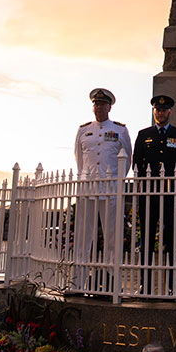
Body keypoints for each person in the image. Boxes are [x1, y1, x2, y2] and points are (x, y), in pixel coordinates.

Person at [74, 88, 132, 267]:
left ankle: (110, 275)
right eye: (96, 104)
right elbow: (79, 158)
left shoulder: (119, 130)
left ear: (110, 107)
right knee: (83, 234)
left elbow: (127, 157)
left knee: (112, 235)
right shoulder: (83, 130)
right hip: (88, 188)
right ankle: (79, 275)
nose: (99, 107)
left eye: (103, 104)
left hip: (111, 189)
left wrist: (117, 180)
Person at [133, 95, 176, 270]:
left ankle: (173, 283)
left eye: (164, 110)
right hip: (149, 193)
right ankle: (145, 283)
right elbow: (137, 162)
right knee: (147, 237)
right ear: (154, 112)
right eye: (157, 110)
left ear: (170, 112)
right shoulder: (144, 135)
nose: (160, 113)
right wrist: (143, 183)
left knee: (171, 238)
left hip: (170, 193)